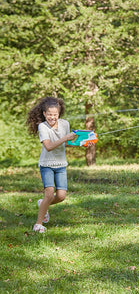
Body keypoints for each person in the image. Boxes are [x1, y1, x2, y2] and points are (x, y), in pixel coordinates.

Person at [27, 97, 77, 233]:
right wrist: (65, 138)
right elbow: (48, 146)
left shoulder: (65, 124)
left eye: (55, 114)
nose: (52, 117)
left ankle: (43, 204)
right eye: (49, 114)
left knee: (61, 196)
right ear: (44, 113)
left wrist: (82, 143)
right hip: (47, 164)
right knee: (49, 194)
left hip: (61, 164)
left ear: (59, 114)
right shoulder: (42, 126)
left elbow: (66, 143)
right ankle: (38, 224)